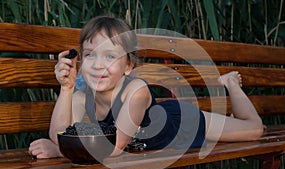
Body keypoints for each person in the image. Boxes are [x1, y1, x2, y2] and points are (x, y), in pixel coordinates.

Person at [29, 16, 264, 159]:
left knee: (254, 131)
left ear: (128, 65)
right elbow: (60, 136)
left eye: (110, 56)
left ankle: (230, 83)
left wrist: (60, 151)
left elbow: (114, 149)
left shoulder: (136, 91)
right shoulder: (81, 95)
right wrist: (67, 89)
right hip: (153, 142)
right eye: (90, 55)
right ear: (81, 61)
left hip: (182, 124)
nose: (98, 64)